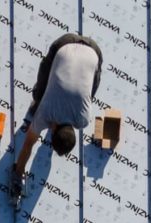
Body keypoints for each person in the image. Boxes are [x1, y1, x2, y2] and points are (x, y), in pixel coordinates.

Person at [10, 33, 103, 199]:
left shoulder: (83, 119)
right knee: (39, 95)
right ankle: (38, 99)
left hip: (92, 50)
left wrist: (19, 173)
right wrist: (17, 175)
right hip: (68, 46)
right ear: (53, 130)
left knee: (88, 93)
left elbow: (28, 145)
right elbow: (28, 145)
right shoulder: (46, 112)